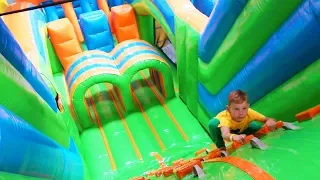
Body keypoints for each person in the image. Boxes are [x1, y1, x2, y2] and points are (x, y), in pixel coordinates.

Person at [208, 90, 277, 151]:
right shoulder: (226, 117)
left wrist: (270, 121)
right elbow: (225, 134)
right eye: (236, 109)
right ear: (228, 109)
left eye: (244, 108)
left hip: (242, 128)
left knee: (258, 129)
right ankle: (221, 148)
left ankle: (250, 137)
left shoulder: (250, 113)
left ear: (248, 106)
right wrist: (234, 137)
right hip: (226, 130)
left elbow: (268, 119)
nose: (241, 113)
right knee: (212, 124)